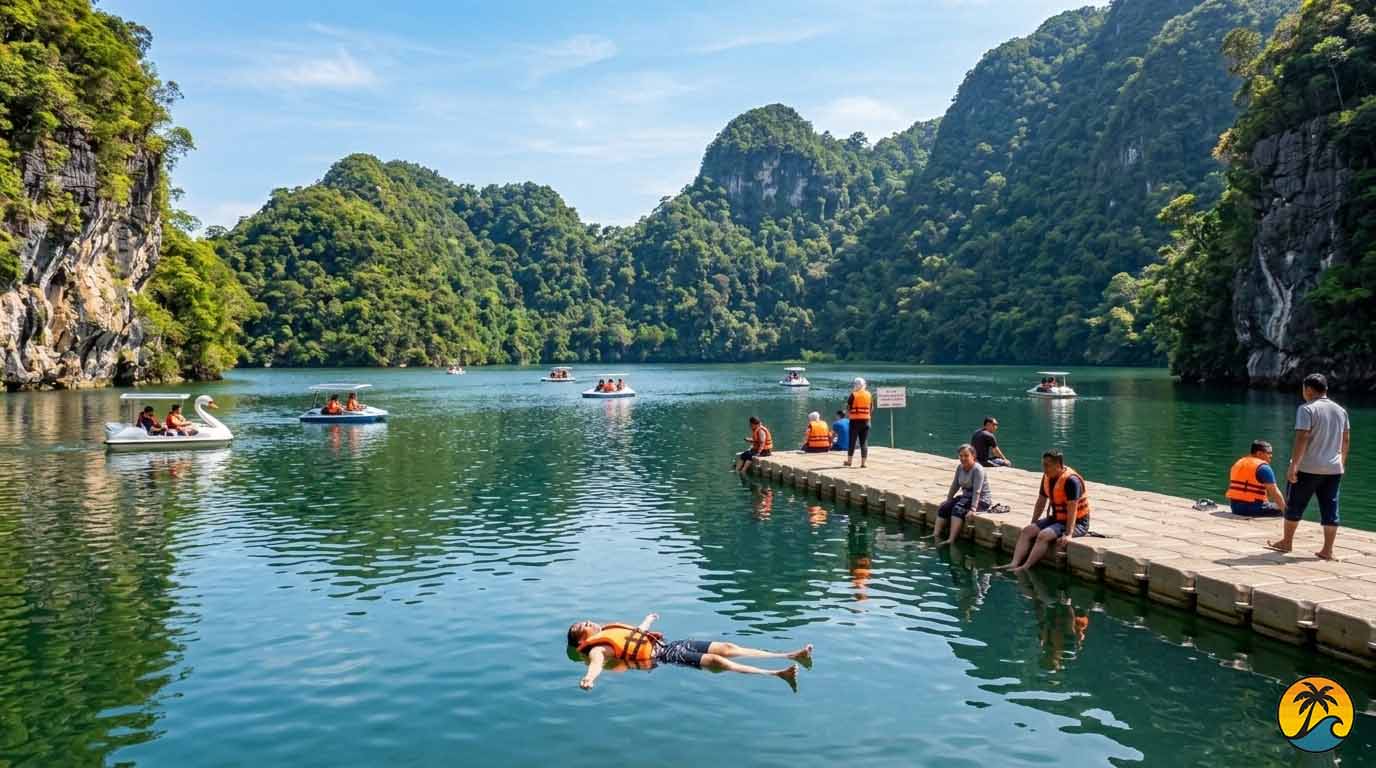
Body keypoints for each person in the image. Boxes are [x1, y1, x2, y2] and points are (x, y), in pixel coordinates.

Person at [567, 613, 810, 690]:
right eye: (581, 627)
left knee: (727, 647)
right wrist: (589, 678)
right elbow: (596, 664)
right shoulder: (597, 649)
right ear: (581, 639)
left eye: (585, 620)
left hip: (670, 645)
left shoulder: (610, 629)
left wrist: (647, 620)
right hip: (663, 656)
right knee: (716, 660)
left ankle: (788, 655)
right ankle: (778, 673)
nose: (586, 622)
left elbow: (637, 633)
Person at [1269, 373, 1350, 560]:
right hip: (1333, 469)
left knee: (1295, 504)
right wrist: (1341, 463)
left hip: (1308, 467)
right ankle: (1327, 550)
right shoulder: (1341, 411)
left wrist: (1294, 465)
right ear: (1326, 390)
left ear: (1308, 390)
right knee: (1330, 508)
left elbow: (1302, 437)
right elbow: (1346, 439)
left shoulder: (1306, 409)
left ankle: (1287, 542)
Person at [998, 450, 1089, 573]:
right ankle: (1014, 563)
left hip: (1078, 523)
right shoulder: (1047, 476)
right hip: (1057, 518)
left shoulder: (1071, 481)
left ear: (1058, 466)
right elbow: (1041, 501)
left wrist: (1069, 534)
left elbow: (1072, 509)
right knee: (1027, 531)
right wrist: (1033, 523)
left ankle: (1025, 567)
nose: (1044, 469)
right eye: (1043, 465)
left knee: (1043, 535)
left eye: (1047, 465)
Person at [932, 444, 993, 545]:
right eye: (961, 456)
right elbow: (955, 485)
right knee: (944, 507)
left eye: (966, 455)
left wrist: (973, 509)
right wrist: (948, 499)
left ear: (973, 456)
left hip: (981, 500)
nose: (963, 458)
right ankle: (935, 534)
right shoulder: (960, 467)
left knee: (958, 509)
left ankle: (951, 539)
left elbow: (977, 491)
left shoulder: (978, 469)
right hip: (966, 497)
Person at [1225, 440, 1286, 517]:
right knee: (1289, 508)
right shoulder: (1263, 468)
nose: (1271, 456)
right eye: (1269, 453)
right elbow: (1275, 492)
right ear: (1259, 453)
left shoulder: (1238, 463)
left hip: (1235, 507)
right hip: (1253, 509)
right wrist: (1286, 512)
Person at [844, 377, 872, 468]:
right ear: (864, 385)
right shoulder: (869, 394)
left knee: (852, 441)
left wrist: (849, 415)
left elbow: (848, 408)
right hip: (866, 421)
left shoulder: (853, 395)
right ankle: (863, 463)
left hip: (855, 421)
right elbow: (871, 408)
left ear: (855, 385)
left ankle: (849, 461)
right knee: (864, 442)